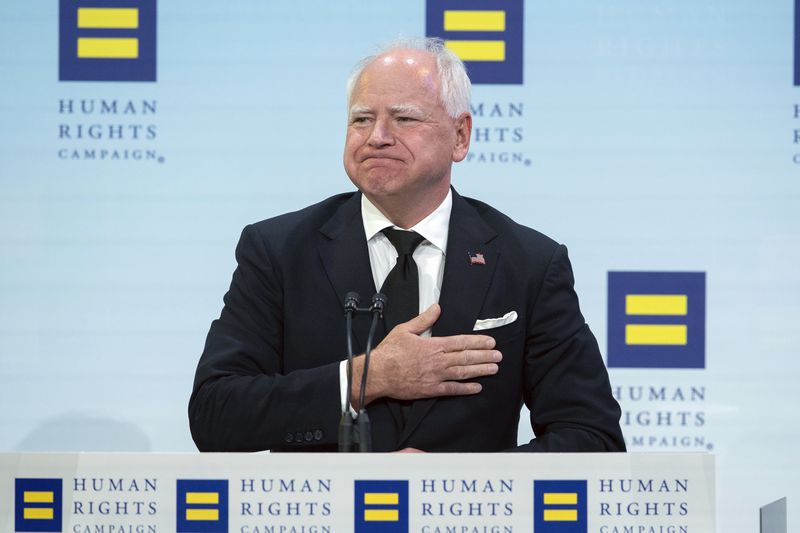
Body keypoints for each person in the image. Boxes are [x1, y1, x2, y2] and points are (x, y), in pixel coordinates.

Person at [189, 37, 625, 453]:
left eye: (404, 118)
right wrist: (367, 377)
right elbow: (215, 413)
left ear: (460, 136)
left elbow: (592, 437)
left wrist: (452, 480)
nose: (377, 135)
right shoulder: (279, 251)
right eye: (361, 119)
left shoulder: (527, 262)